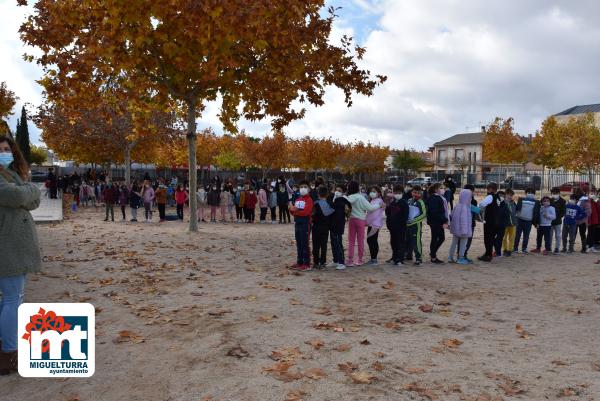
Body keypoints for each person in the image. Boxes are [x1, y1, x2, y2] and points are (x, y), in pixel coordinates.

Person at [0, 135, 41, 374]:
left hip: (14, 244)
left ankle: (7, 345)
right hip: (8, 244)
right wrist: (30, 189)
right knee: (13, 300)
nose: (4, 153)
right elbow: (17, 197)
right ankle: (10, 352)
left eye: (7, 149)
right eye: (0, 150)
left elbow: (32, 203)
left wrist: (25, 192)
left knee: (11, 299)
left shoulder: (12, 175)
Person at [346, 181, 384, 267]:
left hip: (352, 219)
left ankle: (350, 260)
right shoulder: (360, 197)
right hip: (361, 220)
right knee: (360, 240)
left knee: (351, 240)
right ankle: (360, 259)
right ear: (357, 188)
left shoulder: (348, 197)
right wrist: (379, 205)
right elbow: (370, 208)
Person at [289, 180, 314, 271]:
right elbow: (293, 211)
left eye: (305, 187)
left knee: (305, 243)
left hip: (305, 223)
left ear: (308, 189)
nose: (303, 189)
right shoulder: (298, 199)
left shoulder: (309, 200)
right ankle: (299, 262)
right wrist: (292, 209)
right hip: (297, 223)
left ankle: (306, 263)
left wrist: (295, 210)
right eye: (301, 187)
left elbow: (305, 212)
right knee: (299, 243)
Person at [448, 188, 474, 265]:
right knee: (463, 243)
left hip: (456, 229)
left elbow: (452, 216)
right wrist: (464, 230)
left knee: (454, 242)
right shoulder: (465, 208)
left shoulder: (457, 206)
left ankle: (450, 257)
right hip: (464, 230)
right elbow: (463, 221)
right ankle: (461, 258)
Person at [385, 184, 408, 266]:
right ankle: (394, 257)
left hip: (401, 228)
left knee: (400, 243)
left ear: (402, 193)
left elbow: (405, 216)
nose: (397, 194)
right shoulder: (393, 202)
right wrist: (387, 205)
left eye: (399, 192)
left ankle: (400, 259)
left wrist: (402, 225)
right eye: (395, 192)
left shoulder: (404, 203)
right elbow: (388, 214)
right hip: (392, 227)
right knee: (393, 242)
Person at [329, 184, 352, 270]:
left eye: (340, 191)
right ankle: (335, 260)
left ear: (343, 192)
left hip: (338, 225)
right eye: (336, 190)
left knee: (338, 243)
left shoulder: (343, 201)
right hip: (332, 224)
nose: (337, 192)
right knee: (333, 243)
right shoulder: (334, 199)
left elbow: (347, 212)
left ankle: (341, 262)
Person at [426, 183, 449, 264]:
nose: (443, 189)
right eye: (441, 188)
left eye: (443, 188)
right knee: (436, 238)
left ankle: (433, 253)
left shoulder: (437, 197)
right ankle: (433, 256)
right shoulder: (435, 198)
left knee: (440, 238)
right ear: (436, 189)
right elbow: (434, 212)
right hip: (436, 222)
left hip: (437, 221)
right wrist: (444, 219)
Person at [312, 186, 334, 269]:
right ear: (327, 194)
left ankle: (315, 262)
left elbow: (312, 215)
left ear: (318, 194)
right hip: (325, 227)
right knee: (323, 245)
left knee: (316, 245)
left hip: (316, 227)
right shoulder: (330, 204)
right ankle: (323, 262)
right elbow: (331, 217)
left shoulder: (315, 204)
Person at [478, 182, 500, 262]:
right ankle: (488, 253)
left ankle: (488, 255)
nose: (487, 190)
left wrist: (480, 208)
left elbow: (482, 204)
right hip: (496, 221)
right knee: (491, 238)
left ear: (491, 189)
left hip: (490, 221)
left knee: (487, 238)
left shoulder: (490, 196)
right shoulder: (498, 197)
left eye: (488, 189)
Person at [513, 188, 540, 254]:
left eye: (532, 192)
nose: (530, 193)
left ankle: (524, 249)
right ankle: (515, 248)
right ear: (526, 193)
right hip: (519, 220)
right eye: (528, 192)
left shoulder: (536, 202)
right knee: (517, 235)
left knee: (526, 236)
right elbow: (516, 209)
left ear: (534, 194)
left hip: (528, 221)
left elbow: (537, 213)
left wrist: (537, 223)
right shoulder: (521, 199)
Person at [406, 185, 427, 266]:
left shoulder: (421, 202)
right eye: (414, 192)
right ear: (411, 192)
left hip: (416, 225)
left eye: (418, 193)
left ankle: (419, 258)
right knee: (408, 240)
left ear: (421, 193)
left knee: (416, 241)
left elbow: (423, 214)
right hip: (407, 224)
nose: (416, 194)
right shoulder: (409, 200)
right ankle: (408, 255)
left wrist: (414, 220)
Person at [365, 187, 386, 265]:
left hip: (375, 224)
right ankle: (373, 259)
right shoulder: (373, 200)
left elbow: (374, 214)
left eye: (374, 191)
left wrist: (367, 221)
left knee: (372, 240)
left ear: (379, 193)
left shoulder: (379, 201)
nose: (372, 193)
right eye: (371, 191)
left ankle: (374, 260)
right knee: (370, 240)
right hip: (371, 224)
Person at [550, 187, 566, 255]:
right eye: (553, 193)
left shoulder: (563, 201)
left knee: (558, 235)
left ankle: (557, 248)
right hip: (550, 221)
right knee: (549, 235)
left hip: (558, 221)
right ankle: (549, 248)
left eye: (556, 193)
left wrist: (557, 217)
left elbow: (563, 212)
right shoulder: (550, 200)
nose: (555, 194)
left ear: (559, 193)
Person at [501, 189, 517, 257]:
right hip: (504, 224)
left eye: (511, 195)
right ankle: (504, 249)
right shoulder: (502, 203)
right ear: (505, 194)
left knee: (512, 238)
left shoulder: (513, 203)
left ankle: (510, 250)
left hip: (513, 223)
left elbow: (516, 212)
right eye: (508, 195)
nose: (510, 196)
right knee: (504, 237)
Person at [494, 190, 510, 257]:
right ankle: (496, 251)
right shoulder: (493, 203)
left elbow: (507, 216)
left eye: (502, 196)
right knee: (492, 238)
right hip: (494, 225)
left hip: (501, 226)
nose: (501, 197)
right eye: (500, 195)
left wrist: (504, 224)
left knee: (499, 239)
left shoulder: (505, 205)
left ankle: (498, 252)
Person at [575, 189, 591, 253]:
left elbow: (589, 211)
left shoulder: (585, 201)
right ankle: (571, 247)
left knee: (582, 234)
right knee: (573, 234)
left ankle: (584, 248)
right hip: (575, 220)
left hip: (582, 221)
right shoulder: (575, 200)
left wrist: (581, 215)